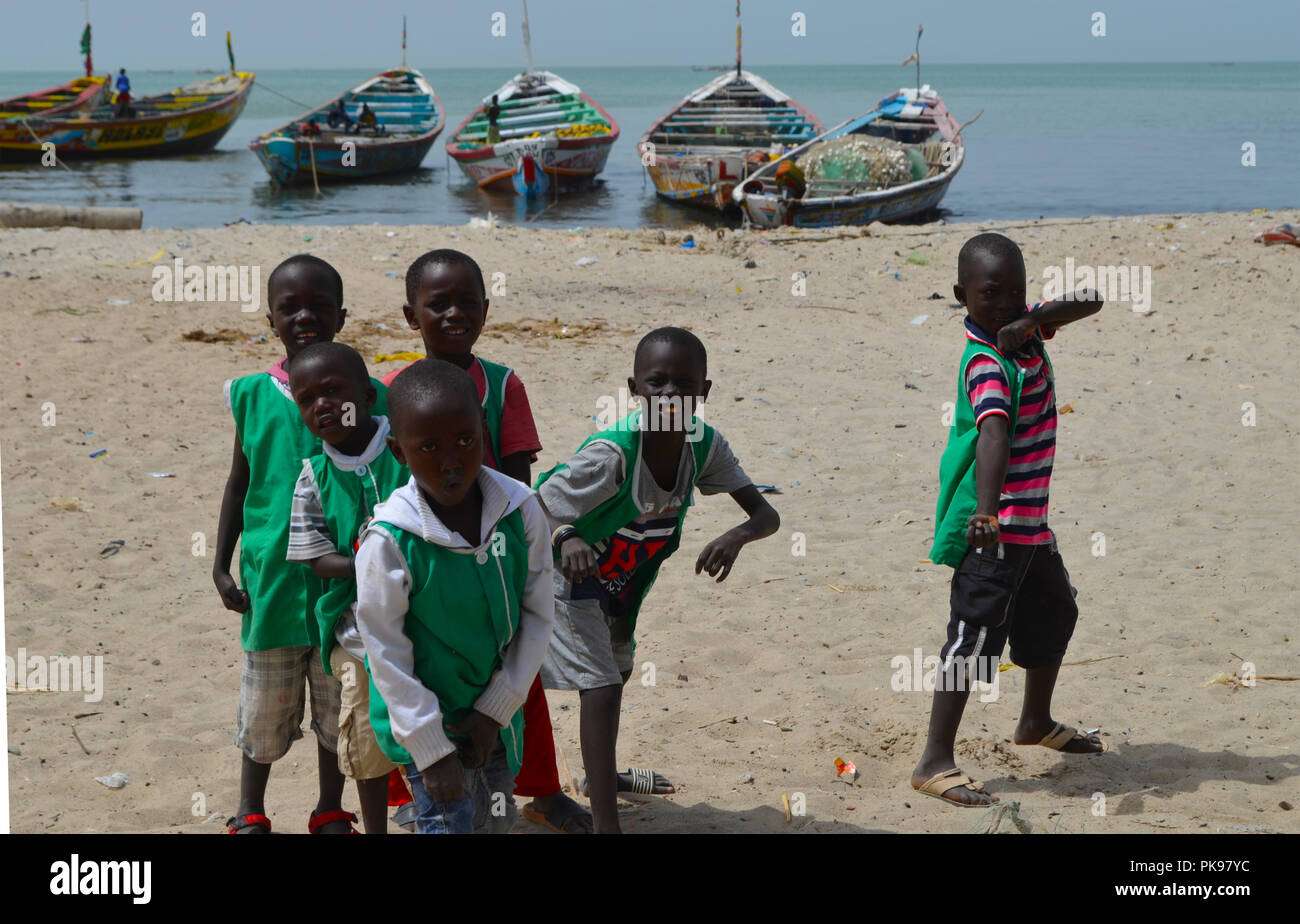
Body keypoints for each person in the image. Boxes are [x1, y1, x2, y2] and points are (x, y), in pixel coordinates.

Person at [535, 327, 781, 833]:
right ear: (635, 389)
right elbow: (532, 507)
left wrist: (736, 537)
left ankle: (599, 779)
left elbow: (765, 516)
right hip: (568, 579)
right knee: (599, 687)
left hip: (624, 584)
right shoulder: (613, 455)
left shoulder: (704, 446)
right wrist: (566, 537)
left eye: (683, 384)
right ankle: (606, 822)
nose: (670, 394)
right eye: (657, 382)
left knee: (616, 677)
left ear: (704, 393)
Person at [382, 248, 591, 833]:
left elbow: (519, 476)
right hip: (427, 555)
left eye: (466, 302)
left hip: (493, 551)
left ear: (486, 310)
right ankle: (419, 786)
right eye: (437, 304)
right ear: (410, 315)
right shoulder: (392, 391)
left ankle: (544, 790)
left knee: (520, 680)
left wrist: (506, 536)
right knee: (418, 670)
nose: (453, 314)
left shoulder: (501, 385)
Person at [910, 232, 1105, 808]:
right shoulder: (986, 361)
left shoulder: (1021, 335)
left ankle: (1034, 722)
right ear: (961, 295)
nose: (1003, 305)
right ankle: (934, 761)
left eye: (1015, 292)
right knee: (971, 640)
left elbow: (1092, 299)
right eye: (990, 294)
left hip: (1031, 526)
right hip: (994, 527)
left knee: (1055, 611)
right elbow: (993, 432)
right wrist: (989, 513)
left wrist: (1034, 318)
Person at [213, 254, 387, 834]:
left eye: (319, 306)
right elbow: (239, 482)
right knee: (264, 704)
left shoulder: (364, 389)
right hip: (272, 579)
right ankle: (250, 809)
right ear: (271, 319)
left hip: (342, 584)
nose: (305, 316)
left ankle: (329, 807)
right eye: (290, 308)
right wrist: (220, 565)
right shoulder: (252, 394)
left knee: (335, 706)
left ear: (342, 314)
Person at [353, 359, 556, 834]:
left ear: (484, 432)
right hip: (429, 731)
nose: (450, 460)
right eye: (428, 447)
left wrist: (496, 710)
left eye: (465, 441)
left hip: (498, 721)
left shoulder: (521, 513)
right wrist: (430, 748)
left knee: (495, 822)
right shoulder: (388, 542)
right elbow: (385, 653)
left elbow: (538, 616)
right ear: (398, 453)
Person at [285, 342, 408, 834]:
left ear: (368, 394)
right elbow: (315, 557)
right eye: (307, 398)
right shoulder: (313, 476)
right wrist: (367, 561)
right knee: (367, 731)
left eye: (334, 391)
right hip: (358, 633)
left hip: (430, 619)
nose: (322, 406)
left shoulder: (406, 447)